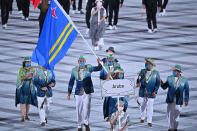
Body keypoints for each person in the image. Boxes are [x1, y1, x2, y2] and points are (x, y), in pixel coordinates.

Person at [67, 56, 102, 131]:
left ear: (85, 61)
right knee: (78, 109)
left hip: (87, 91)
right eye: (80, 61)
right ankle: (79, 125)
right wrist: (69, 92)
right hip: (78, 91)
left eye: (83, 61)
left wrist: (99, 63)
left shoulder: (88, 67)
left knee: (87, 108)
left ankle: (86, 123)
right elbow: (71, 81)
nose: (82, 62)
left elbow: (98, 68)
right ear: (78, 62)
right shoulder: (74, 70)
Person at [160, 64, 189, 131]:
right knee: (170, 115)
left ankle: (175, 128)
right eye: (173, 70)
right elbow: (164, 87)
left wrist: (186, 100)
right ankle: (170, 128)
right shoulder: (169, 78)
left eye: (175, 71)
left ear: (179, 71)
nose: (173, 72)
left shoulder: (184, 80)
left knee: (177, 116)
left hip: (179, 101)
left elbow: (187, 90)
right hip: (170, 100)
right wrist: (161, 83)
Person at [136, 58, 160, 127]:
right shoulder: (142, 71)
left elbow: (158, 84)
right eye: (146, 63)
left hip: (151, 92)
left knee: (150, 107)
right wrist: (138, 83)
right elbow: (138, 79)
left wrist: (155, 91)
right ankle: (142, 117)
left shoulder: (156, 73)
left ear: (152, 65)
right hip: (142, 91)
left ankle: (149, 121)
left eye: (148, 63)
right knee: (142, 105)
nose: (147, 64)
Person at [16, 57, 38, 122]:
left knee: (28, 102)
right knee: (22, 102)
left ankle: (27, 115)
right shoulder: (21, 70)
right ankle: (22, 116)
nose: (28, 63)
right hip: (23, 86)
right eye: (27, 62)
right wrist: (28, 75)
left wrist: (33, 77)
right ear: (24, 63)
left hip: (30, 87)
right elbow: (21, 78)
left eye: (29, 62)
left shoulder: (33, 69)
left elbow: (35, 78)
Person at [100, 56, 121, 121]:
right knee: (108, 102)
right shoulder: (104, 68)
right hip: (107, 87)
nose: (111, 62)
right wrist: (107, 78)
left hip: (115, 86)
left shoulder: (117, 67)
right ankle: (109, 116)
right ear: (107, 61)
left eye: (112, 61)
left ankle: (115, 115)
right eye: (110, 61)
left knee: (114, 101)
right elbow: (101, 78)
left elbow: (121, 76)